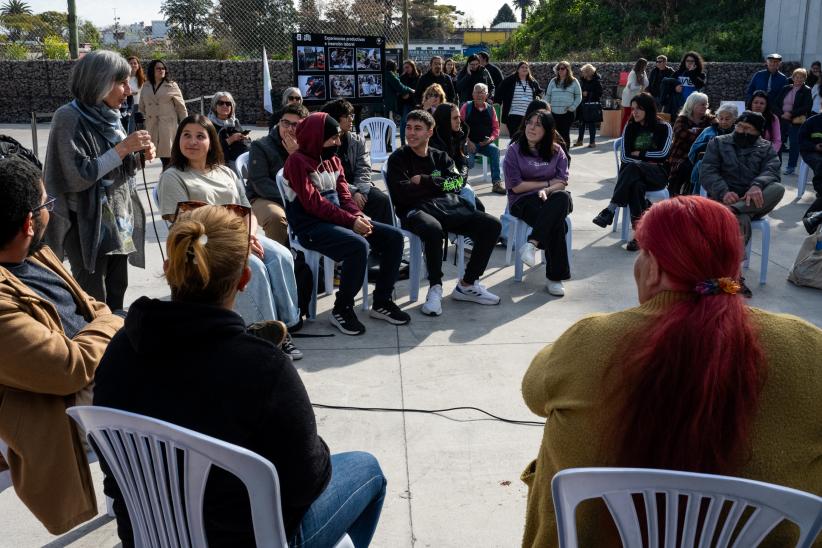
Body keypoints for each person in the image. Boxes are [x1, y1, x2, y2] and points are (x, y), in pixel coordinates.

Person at [520, 195, 822, 548]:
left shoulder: (589, 340)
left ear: (655, 268)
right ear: (733, 267)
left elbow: (534, 394)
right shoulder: (808, 347)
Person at [93, 204, 387, 548]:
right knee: (367, 469)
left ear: (169, 268)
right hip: (252, 540)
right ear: (245, 279)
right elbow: (307, 483)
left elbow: (114, 472)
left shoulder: (121, 349)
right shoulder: (263, 367)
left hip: (150, 537)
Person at [0, 157, 123, 535]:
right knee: (169, 404)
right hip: (58, 406)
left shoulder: (37, 255)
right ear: (28, 222)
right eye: (46, 205)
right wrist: (114, 323)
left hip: (96, 369)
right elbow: (67, 369)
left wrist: (108, 321)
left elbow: (93, 306)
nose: (50, 212)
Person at [158, 114, 303, 359]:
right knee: (253, 266)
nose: (192, 142)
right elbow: (182, 222)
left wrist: (250, 234)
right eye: (186, 135)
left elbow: (247, 209)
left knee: (281, 255)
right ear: (178, 140)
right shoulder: (173, 176)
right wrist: (239, 241)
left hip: (239, 234)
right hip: (204, 242)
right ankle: (263, 335)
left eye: (200, 136)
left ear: (211, 141)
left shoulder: (226, 172)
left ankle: (285, 325)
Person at [44, 49, 155, 312]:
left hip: (118, 218)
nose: (128, 90)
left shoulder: (111, 116)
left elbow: (117, 170)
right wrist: (123, 149)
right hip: (87, 223)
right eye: (122, 83)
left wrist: (137, 157)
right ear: (100, 82)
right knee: (93, 296)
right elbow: (77, 176)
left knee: (118, 288)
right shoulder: (68, 117)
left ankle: (115, 345)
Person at [282, 112, 410, 335]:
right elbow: (314, 205)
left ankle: (381, 301)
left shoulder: (333, 160)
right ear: (316, 137)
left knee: (394, 237)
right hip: (310, 227)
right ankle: (342, 309)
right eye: (333, 138)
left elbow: (344, 197)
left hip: (337, 220)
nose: (338, 143)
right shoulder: (296, 163)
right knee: (357, 246)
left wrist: (357, 216)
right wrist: (352, 222)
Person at [386, 109, 502, 316]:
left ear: (430, 132)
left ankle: (467, 285)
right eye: (409, 128)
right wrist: (440, 185)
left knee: (491, 225)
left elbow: (457, 183)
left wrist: (425, 180)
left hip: (447, 208)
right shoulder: (398, 158)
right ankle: (435, 288)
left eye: (418, 129)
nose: (411, 133)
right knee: (433, 229)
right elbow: (403, 194)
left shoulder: (440, 156)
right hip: (414, 211)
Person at [700, 111, 785, 285]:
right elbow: (708, 171)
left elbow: (772, 171)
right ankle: (732, 275)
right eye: (739, 126)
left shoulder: (766, 148)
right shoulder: (718, 142)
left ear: (758, 132)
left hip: (751, 200)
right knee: (740, 218)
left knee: (777, 188)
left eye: (748, 128)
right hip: (723, 199)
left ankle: (732, 211)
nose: (742, 130)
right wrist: (724, 192)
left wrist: (757, 185)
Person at [592, 92, 672, 252]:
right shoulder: (631, 126)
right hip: (634, 175)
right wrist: (645, 158)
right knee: (636, 186)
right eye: (633, 108)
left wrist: (640, 155)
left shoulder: (664, 127)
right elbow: (625, 156)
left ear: (649, 110)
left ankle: (611, 209)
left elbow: (663, 154)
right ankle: (639, 236)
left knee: (633, 168)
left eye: (638, 109)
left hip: (657, 174)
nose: (634, 112)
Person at [503, 111, 571, 296]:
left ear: (547, 130)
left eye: (538, 124)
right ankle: (555, 278)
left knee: (563, 198)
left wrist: (547, 190)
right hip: (522, 200)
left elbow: (562, 183)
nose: (531, 128)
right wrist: (545, 184)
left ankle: (532, 244)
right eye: (529, 123)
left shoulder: (557, 151)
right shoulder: (514, 151)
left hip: (551, 197)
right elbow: (516, 187)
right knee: (558, 225)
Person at [321, 100, 393, 226]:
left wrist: (360, 191)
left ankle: (384, 240)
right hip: (335, 190)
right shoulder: (324, 142)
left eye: (352, 115)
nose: (351, 119)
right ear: (334, 118)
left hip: (360, 187)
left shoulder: (357, 141)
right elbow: (330, 177)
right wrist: (353, 192)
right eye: (346, 116)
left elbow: (364, 168)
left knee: (383, 201)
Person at [247, 102, 309, 245]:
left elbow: (312, 176)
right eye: (285, 123)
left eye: (296, 125)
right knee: (276, 218)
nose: (289, 129)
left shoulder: (307, 145)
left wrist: (296, 155)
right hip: (263, 197)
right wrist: (291, 200)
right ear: (279, 122)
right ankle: (279, 260)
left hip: (299, 196)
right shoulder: (260, 146)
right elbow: (260, 182)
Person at [431, 102, 484, 211]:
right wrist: (454, 184)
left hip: (457, 181)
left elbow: (464, 162)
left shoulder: (459, 135)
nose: (459, 121)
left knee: (479, 207)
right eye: (455, 118)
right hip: (439, 188)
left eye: (459, 117)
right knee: (468, 197)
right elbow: (435, 175)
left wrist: (460, 181)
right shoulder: (432, 142)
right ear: (445, 120)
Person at [139, 59, 188, 169]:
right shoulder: (146, 86)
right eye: (158, 68)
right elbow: (141, 107)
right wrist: (143, 121)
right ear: (152, 70)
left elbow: (181, 108)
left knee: (168, 156)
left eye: (163, 68)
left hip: (167, 126)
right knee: (156, 154)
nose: (161, 70)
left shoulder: (171, 85)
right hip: (151, 125)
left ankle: (166, 180)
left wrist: (185, 126)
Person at [667, 91, 714, 195]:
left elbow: (716, 131)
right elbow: (682, 134)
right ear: (693, 105)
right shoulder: (682, 119)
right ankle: (673, 194)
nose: (705, 106)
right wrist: (703, 133)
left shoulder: (710, 119)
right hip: (680, 155)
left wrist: (695, 130)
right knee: (682, 169)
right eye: (702, 104)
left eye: (706, 104)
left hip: (700, 156)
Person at [460, 83, 504, 193]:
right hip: (469, 142)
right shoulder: (466, 107)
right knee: (470, 163)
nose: (479, 95)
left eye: (482, 92)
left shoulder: (490, 109)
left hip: (485, 143)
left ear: (487, 95)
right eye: (477, 92)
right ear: (473, 94)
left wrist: (490, 139)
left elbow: (496, 129)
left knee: (495, 151)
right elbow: (459, 127)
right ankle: (461, 183)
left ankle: (496, 183)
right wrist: (468, 141)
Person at [688, 102, 738, 192]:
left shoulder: (738, 134)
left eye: (727, 119)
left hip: (731, 172)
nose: (723, 121)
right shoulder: (709, 131)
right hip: (706, 168)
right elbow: (693, 151)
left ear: (734, 119)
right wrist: (710, 145)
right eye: (721, 118)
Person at [774, 68, 813, 175]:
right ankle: (776, 165)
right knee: (779, 142)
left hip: (795, 121)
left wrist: (790, 114)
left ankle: (791, 166)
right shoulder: (786, 88)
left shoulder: (806, 90)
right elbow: (776, 103)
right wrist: (782, 114)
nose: (799, 79)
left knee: (794, 144)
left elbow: (807, 106)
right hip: (782, 119)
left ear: (805, 79)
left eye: (801, 77)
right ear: (793, 77)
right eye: (797, 77)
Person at [497, 61, 544, 138]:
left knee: (525, 138)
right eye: (522, 67)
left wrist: (538, 97)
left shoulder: (532, 82)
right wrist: (497, 102)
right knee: (515, 137)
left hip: (528, 116)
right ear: (518, 69)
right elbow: (500, 91)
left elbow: (539, 92)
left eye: (526, 67)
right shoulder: (510, 80)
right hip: (513, 115)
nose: (524, 69)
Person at [209, 91, 251, 175]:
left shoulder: (235, 122)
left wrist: (245, 137)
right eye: (221, 103)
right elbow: (210, 148)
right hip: (223, 163)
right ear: (215, 106)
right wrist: (230, 140)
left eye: (228, 104)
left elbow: (244, 140)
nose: (225, 106)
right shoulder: (209, 124)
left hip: (242, 158)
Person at [544, 61, 582, 153]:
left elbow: (579, 96)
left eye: (562, 68)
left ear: (567, 70)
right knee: (554, 135)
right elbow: (547, 96)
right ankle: (555, 154)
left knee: (564, 135)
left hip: (567, 113)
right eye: (558, 69)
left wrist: (572, 107)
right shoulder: (553, 81)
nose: (560, 71)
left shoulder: (574, 81)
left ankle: (565, 155)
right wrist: (547, 107)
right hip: (553, 113)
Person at [799, 113, 822, 230]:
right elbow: (801, 142)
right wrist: (815, 147)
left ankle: (814, 217)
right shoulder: (811, 122)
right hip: (812, 152)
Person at [574, 64, 602, 148]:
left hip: (592, 106)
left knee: (591, 124)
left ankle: (592, 142)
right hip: (583, 104)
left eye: (583, 72)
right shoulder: (583, 81)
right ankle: (580, 141)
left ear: (588, 72)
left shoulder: (596, 81)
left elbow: (599, 93)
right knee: (581, 123)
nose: (582, 73)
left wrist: (588, 93)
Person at [621, 58, 649, 129]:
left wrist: (643, 81)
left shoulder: (643, 72)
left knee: (633, 115)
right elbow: (631, 87)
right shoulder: (632, 73)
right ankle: (622, 132)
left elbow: (647, 83)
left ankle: (631, 132)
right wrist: (641, 85)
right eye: (645, 65)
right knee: (627, 115)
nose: (646, 67)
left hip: (636, 97)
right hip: (628, 97)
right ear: (642, 65)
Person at [399, 60, 421, 146]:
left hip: (416, 103)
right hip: (406, 103)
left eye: (407, 67)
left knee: (417, 123)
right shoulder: (402, 77)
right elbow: (400, 89)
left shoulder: (418, 77)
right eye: (404, 67)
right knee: (404, 122)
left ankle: (414, 142)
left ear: (412, 66)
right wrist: (403, 95)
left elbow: (419, 90)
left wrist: (410, 94)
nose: (406, 69)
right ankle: (403, 142)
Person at [124, 56, 145, 133]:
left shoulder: (142, 78)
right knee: (130, 128)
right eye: (131, 63)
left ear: (138, 65)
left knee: (141, 128)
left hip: (141, 105)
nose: (133, 65)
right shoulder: (125, 78)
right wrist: (132, 93)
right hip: (129, 106)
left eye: (135, 63)